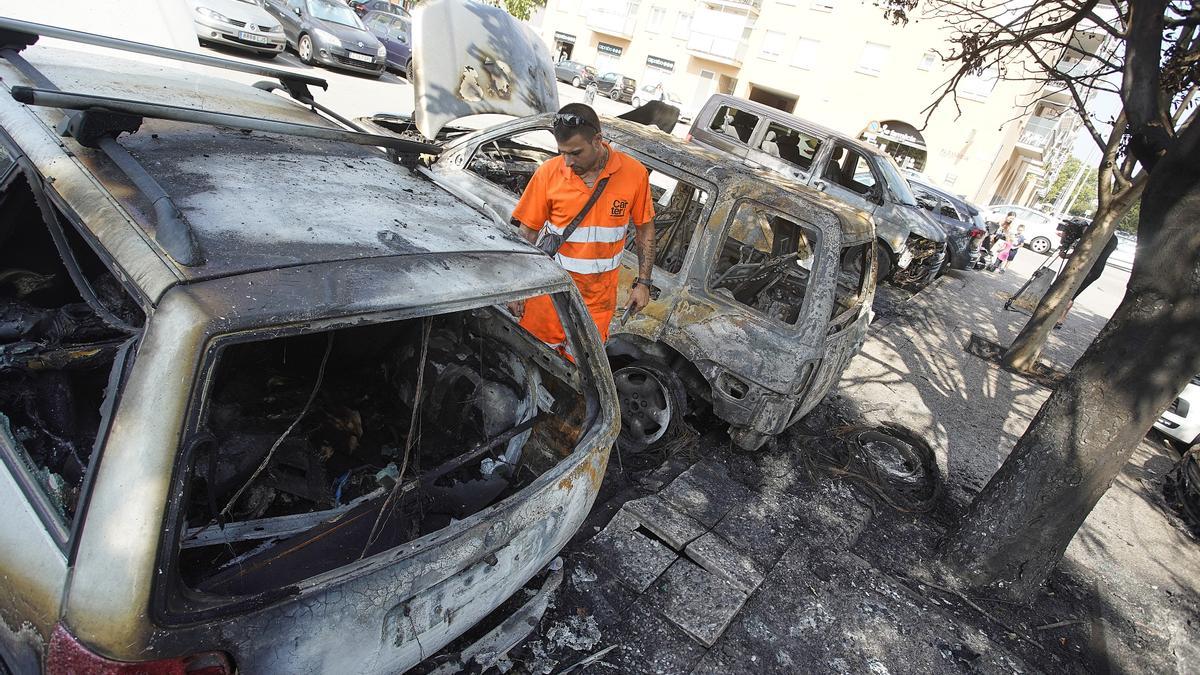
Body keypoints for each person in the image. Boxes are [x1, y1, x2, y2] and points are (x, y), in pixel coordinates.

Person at [506, 103, 656, 355]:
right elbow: (526, 235)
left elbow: (645, 231)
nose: (567, 161)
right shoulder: (548, 174)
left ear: (597, 140)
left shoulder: (634, 175)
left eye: (575, 153)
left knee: (581, 376)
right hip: (548, 296)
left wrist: (644, 283)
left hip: (596, 306)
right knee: (533, 362)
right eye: (562, 152)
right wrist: (517, 288)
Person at [1056, 230, 1119, 329]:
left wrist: (1066, 255)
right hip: (1096, 270)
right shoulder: (1114, 239)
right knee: (1073, 293)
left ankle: (1059, 318)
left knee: (1070, 293)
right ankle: (1061, 319)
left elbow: (1085, 253)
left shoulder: (1101, 236)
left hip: (1088, 268)